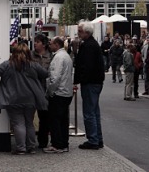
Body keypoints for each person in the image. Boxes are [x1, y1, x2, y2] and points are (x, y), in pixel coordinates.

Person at [0, 44, 48, 155]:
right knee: (29, 123)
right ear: (28, 53)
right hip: (31, 98)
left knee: (18, 124)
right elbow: (45, 74)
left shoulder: (8, 64)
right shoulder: (33, 65)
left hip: (13, 98)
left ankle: (21, 148)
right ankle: (31, 147)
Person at [74, 21, 105, 150]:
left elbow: (85, 66)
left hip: (90, 82)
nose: (78, 33)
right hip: (96, 81)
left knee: (89, 112)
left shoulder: (88, 46)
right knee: (94, 111)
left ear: (86, 32)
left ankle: (93, 139)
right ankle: (97, 138)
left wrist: (79, 80)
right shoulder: (93, 44)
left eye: (80, 31)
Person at [44, 37, 73, 153]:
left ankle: (57, 144)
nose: (49, 46)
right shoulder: (66, 56)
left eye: (51, 44)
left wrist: (49, 91)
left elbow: (55, 77)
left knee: (55, 120)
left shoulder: (58, 57)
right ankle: (64, 144)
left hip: (58, 93)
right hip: (66, 92)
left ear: (56, 44)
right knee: (63, 120)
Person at [30, 33, 52, 149]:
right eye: (34, 42)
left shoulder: (50, 56)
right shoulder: (31, 55)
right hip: (32, 89)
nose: (35, 44)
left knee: (44, 117)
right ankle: (29, 141)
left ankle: (42, 141)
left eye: (37, 42)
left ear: (43, 44)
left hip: (45, 90)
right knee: (29, 116)